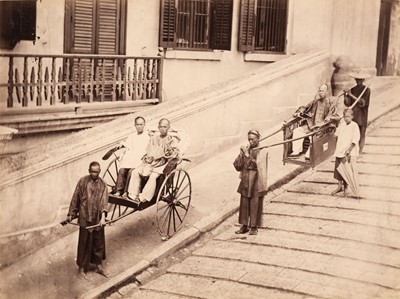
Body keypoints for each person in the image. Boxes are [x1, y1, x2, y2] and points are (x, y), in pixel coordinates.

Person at [65, 161, 109, 279]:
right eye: (92, 171)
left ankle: (98, 265)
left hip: (98, 218)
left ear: (99, 171)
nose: (95, 174)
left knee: (98, 242)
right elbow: (75, 198)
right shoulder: (82, 181)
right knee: (84, 242)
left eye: (97, 171)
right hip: (85, 216)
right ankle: (81, 268)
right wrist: (71, 213)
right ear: (89, 171)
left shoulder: (103, 184)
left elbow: (104, 202)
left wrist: (103, 218)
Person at [128, 118, 180, 203]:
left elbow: (175, 155)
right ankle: (133, 195)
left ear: (168, 128)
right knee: (135, 172)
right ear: (158, 128)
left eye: (165, 127)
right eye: (161, 127)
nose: (163, 129)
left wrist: (169, 149)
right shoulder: (154, 138)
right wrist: (147, 157)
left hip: (163, 164)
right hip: (152, 162)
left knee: (153, 176)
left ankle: (143, 198)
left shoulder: (172, 139)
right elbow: (148, 150)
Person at [233, 130, 268, 235]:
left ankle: (253, 227)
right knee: (244, 203)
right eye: (249, 139)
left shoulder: (262, 150)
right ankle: (244, 226)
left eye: (253, 139)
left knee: (255, 202)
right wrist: (241, 154)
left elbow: (256, 166)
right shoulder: (247, 149)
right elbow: (237, 166)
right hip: (246, 178)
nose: (250, 141)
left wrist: (247, 154)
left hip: (257, 179)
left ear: (258, 138)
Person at [290, 84, 339, 159]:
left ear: (327, 92)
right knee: (297, 131)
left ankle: (309, 154)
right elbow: (305, 107)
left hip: (323, 127)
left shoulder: (330, 103)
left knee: (313, 136)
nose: (320, 93)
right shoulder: (315, 102)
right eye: (319, 91)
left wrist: (329, 117)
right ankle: (296, 151)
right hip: (311, 125)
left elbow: (334, 114)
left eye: (322, 91)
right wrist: (299, 112)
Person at [113, 116, 149, 196]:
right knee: (122, 170)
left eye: (141, 124)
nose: (139, 126)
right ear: (135, 125)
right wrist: (121, 143)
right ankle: (119, 190)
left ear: (144, 125)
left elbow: (148, 150)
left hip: (141, 160)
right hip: (132, 158)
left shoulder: (147, 136)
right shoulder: (132, 136)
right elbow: (127, 144)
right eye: (137, 125)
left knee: (131, 171)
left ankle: (126, 192)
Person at [331, 108, 360, 196]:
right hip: (340, 150)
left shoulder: (354, 125)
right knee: (338, 169)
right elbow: (335, 134)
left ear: (352, 117)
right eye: (344, 116)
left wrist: (349, 150)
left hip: (348, 151)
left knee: (346, 170)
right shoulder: (342, 125)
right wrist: (333, 126)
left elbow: (355, 139)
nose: (346, 118)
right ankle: (339, 186)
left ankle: (346, 188)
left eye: (348, 116)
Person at [343, 70, 371, 154]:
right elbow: (347, 103)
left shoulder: (367, 90)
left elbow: (362, 103)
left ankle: (360, 152)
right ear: (355, 80)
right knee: (353, 134)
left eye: (360, 80)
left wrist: (351, 95)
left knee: (362, 134)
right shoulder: (353, 89)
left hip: (362, 115)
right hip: (354, 115)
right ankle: (351, 151)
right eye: (357, 79)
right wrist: (345, 95)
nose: (358, 81)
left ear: (363, 80)